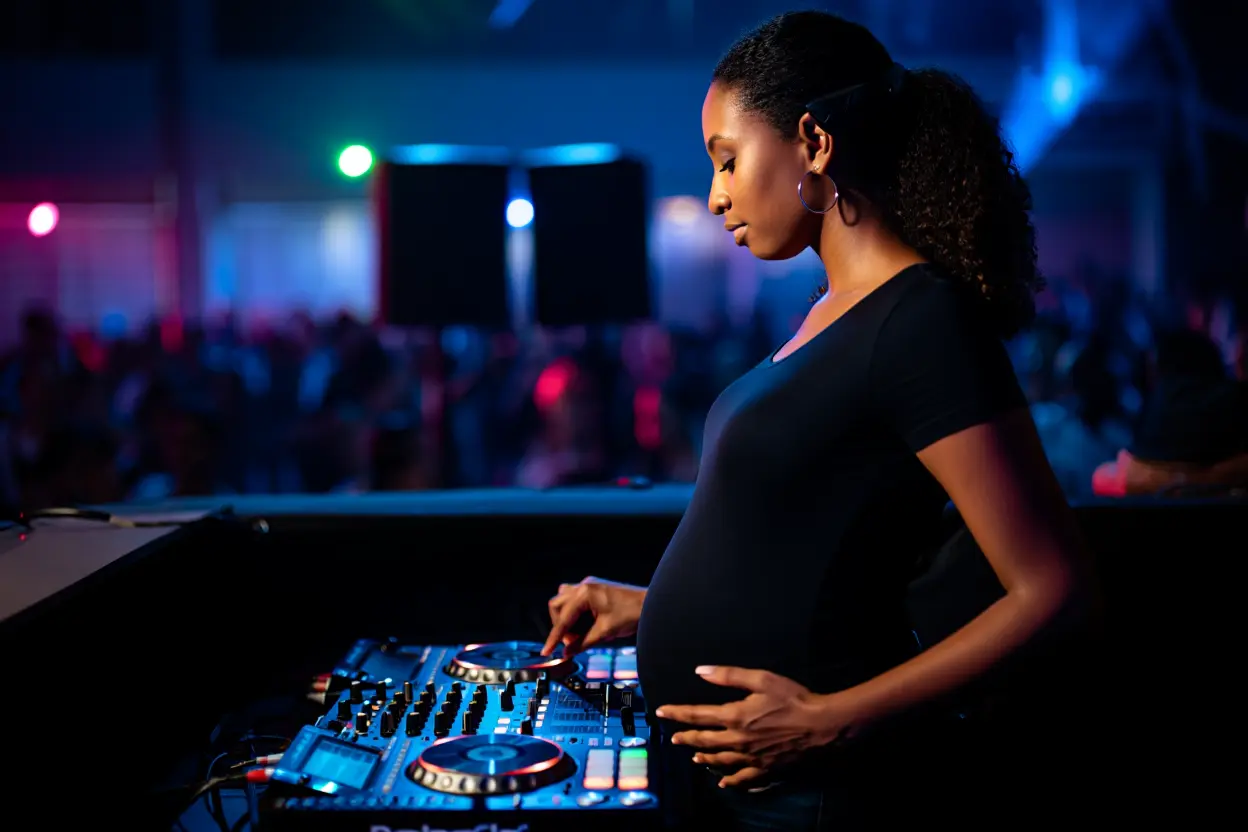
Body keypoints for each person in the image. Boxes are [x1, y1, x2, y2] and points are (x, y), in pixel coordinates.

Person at [543, 11, 1097, 830]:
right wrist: (650, 605)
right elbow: (808, 541)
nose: (715, 194)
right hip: (739, 789)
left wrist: (833, 718)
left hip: (811, 798)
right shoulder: (834, 313)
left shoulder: (920, 323)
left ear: (814, 142)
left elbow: (1053, 587)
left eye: (728, 159)